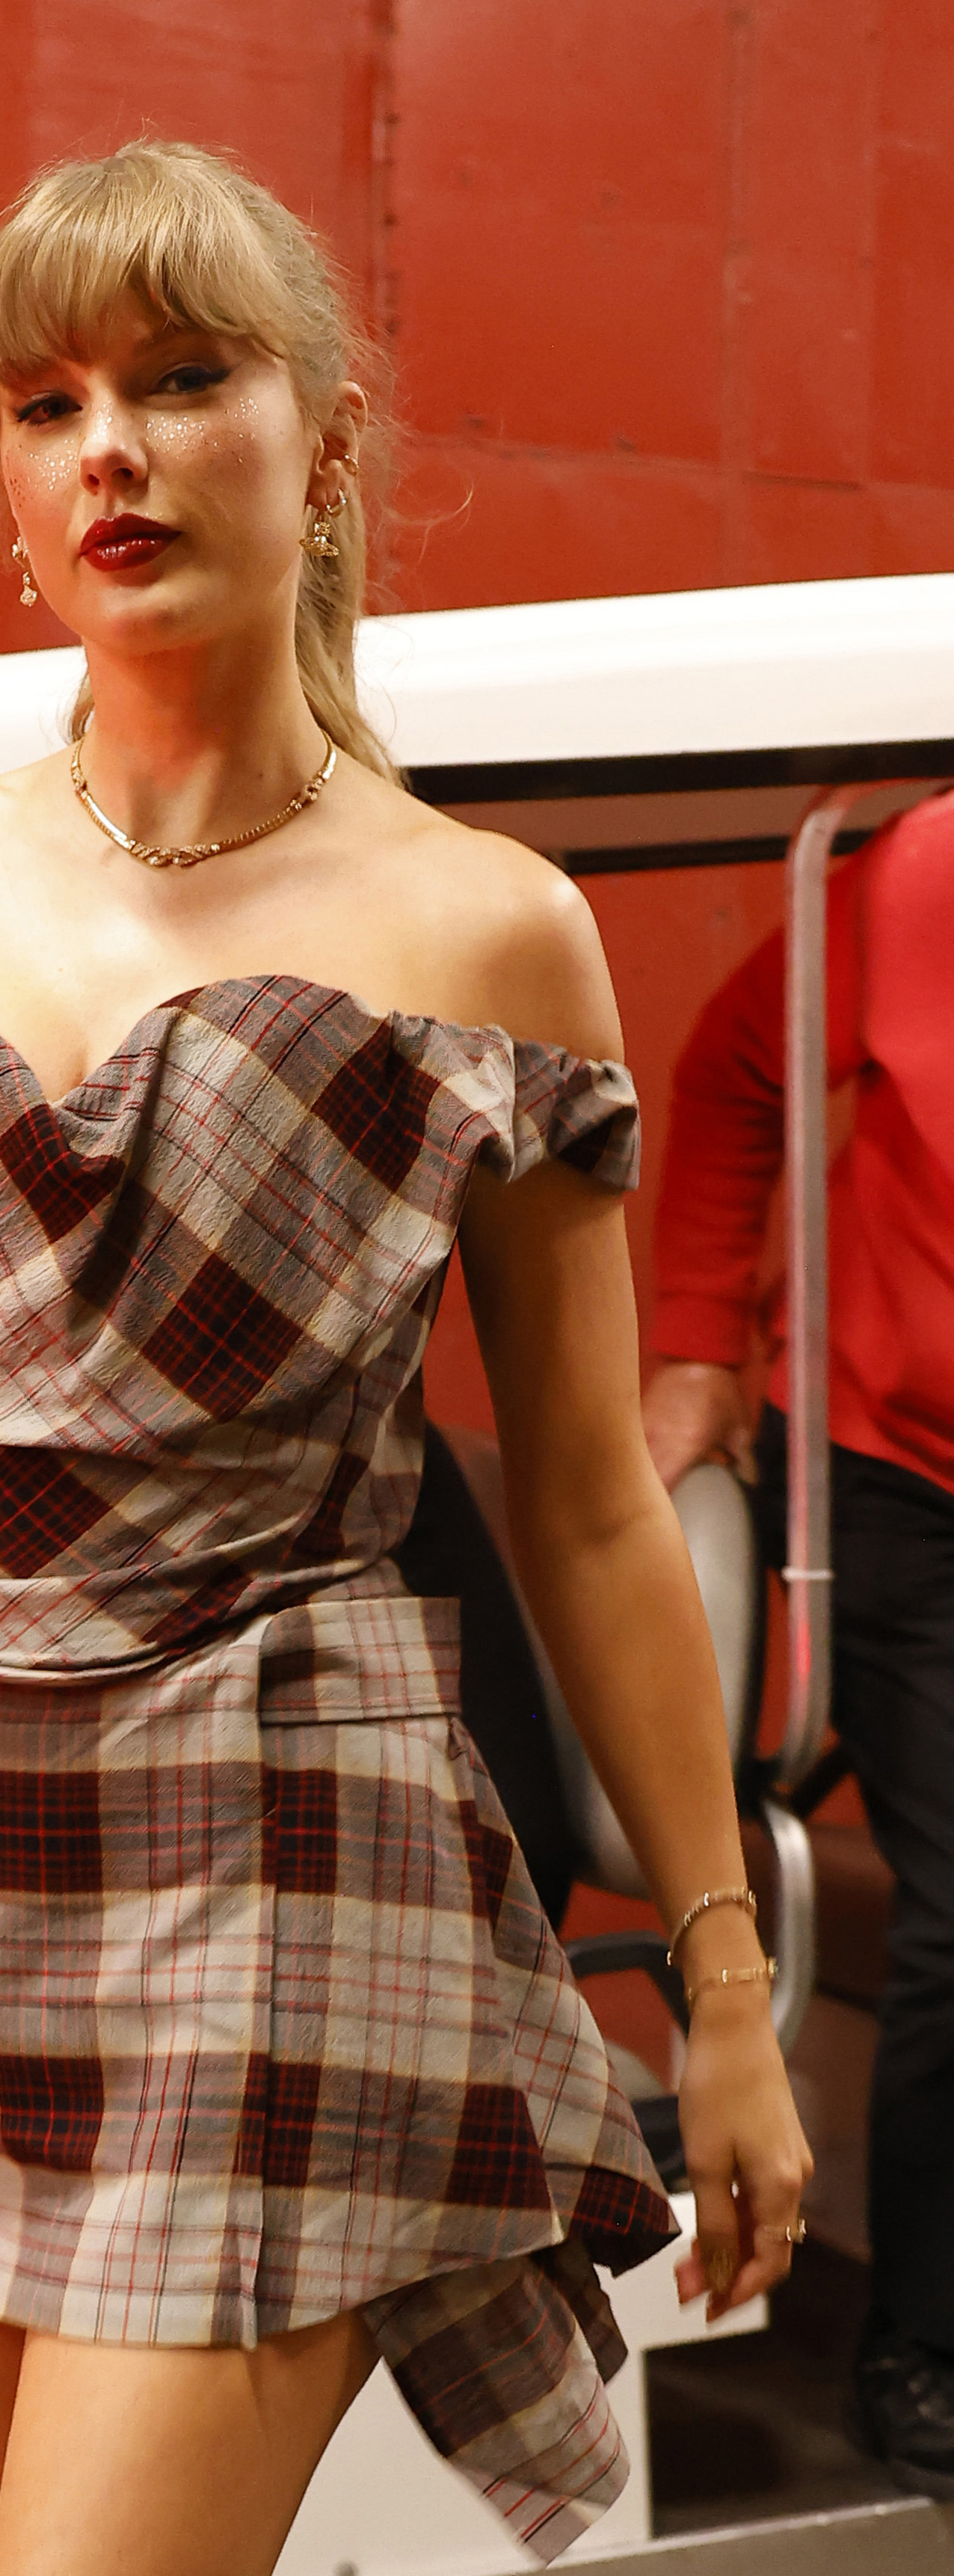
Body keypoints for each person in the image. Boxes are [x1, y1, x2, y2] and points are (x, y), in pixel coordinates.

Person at [0, 141, 810, 2576]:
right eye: (45, 397)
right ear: (8, 480)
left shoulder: (481, 926)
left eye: (178, 377)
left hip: (275, 1853)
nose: (104, 443)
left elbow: (590, 1497)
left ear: (317, 444)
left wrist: (718, 1981)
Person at [643, 787, 954, 2497]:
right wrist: (698, 1334)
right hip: (903, 1469)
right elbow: (736, 1066)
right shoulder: (917, 877)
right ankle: (923, 2344)